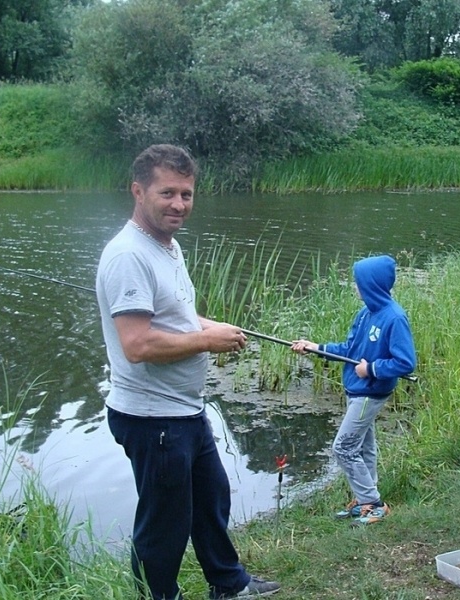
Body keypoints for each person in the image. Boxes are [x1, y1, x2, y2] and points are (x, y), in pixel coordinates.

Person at [96, 144, 280, 599]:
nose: (179, 204)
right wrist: (206, 341)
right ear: (138, 191)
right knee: (164, 524)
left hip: (184, 411)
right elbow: (137, 344)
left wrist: (207, 324)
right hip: (152, 418)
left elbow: (173, 315)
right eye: (167, 194)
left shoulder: (167, 246)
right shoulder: (128, 256)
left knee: (210, 499)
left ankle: (228, 583)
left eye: (187, 194)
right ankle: (160, 596)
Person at [291, 255, 417, 526]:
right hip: (356, 390)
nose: (355, 287)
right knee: (365, 447)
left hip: (370, 393)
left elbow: (405, 362)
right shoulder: (365, 314)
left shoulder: (394, 318)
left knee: (344, 447)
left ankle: (372, 503)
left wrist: (370, 369)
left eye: (358, 282)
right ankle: (366, 501)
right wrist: (316, 347)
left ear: (372, 284)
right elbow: (349, 350)